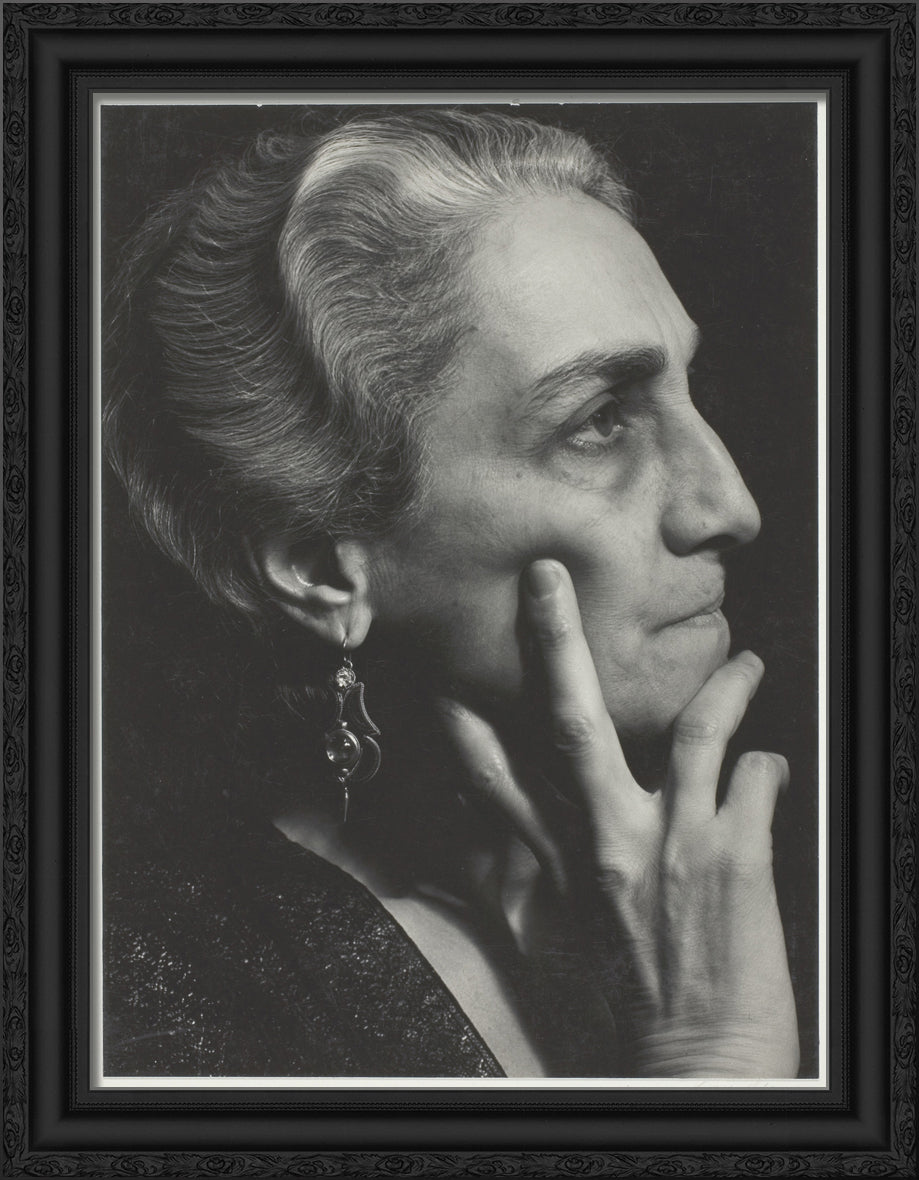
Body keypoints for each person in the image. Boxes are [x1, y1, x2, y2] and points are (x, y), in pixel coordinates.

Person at [102, 107, 801, 1079]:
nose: (730, 506)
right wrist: (714, 1061)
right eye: (600, 420)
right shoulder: (135, 1006)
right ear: (322, 570)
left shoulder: (749, 892)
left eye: (690, 387)